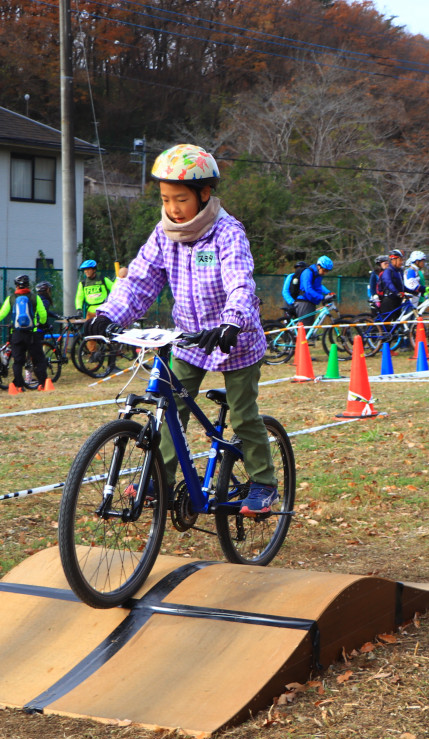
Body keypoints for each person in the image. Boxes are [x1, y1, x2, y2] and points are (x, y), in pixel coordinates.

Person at [85, 142, 278, 515]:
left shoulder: (227, 233)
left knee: (241, 413)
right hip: (189, 340)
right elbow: (140, 281)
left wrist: (231, 321)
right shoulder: (164, 234)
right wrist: (107, 315)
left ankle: (264, 481)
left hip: (234, 338)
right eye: (166, 198)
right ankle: (160, 479)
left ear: (204, 194)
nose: (173, 208)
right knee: (169, 407)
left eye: (181, 199)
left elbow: (240, 281)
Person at [0, 274, 50, 391]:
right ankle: (42, 384)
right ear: (28, 285)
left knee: (17, 361)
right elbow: (43, 315)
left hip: (16, 333)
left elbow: (1, 314)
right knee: (38, 359)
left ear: (16, 286)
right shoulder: (35, 298)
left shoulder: (11, 298)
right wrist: (41, 322)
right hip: (32, 333)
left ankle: (19, 386)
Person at [296, 255, 335, 322]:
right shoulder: (308, 272)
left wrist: (328, 292)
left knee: (310, 327)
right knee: (305, 329)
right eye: (324, 270)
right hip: (304, 302)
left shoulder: (317, 274)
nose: (325, 273)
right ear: (319, 266)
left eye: (327, 271)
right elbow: (308, 289)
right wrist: (322, 297)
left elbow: (319, 286)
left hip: (311, 302)